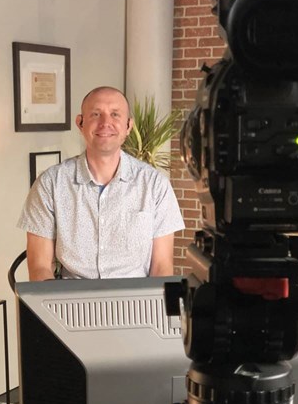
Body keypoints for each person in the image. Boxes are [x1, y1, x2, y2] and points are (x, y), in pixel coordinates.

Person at [18, 86, 184, 280]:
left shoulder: (155, 185)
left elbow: (162, 266)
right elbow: (39, 267)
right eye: (96, 114)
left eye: (115, 115)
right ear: (80, 123)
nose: (106, 123)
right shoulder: (50, 184)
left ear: (128, 126)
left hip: (135, 304)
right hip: (72, 304)